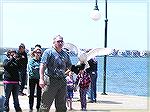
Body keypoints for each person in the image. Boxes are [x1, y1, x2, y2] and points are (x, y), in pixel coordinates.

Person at [39, 35, 72, 112]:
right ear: (54, 42)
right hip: (50, 81)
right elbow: (42, 65)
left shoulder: (65, 54)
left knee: (62, 106)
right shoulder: (48, 52)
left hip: (62, 81)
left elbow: (70, 66)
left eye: (61, 41)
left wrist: (78, 68)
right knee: (45, 105)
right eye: (58, 41)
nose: (60, 43)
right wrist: (41, 79)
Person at [28, 47, 42, 112]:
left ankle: (38, 107)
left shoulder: (41, 60)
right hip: (32, 78)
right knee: (31, 93)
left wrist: (37, 68)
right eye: (37, 52)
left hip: (39, 79)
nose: (38, 54)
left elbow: (43, 69)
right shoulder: (31, 60)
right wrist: (39, 68)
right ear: (34, 53)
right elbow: (31, 69)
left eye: (39, 52)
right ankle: (31, 107)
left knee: (39, 94)